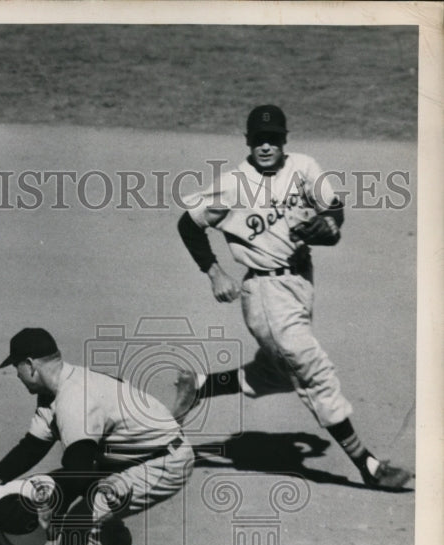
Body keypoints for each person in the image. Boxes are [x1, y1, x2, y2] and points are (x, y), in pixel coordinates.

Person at [175, 104, 411, 491]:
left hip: (301, 283)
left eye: (273, 139)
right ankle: (368, 465)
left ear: (284, 140)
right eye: (259, 140)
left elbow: (333, 207)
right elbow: (189, 222)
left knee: (279, 373)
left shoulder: (303, 166)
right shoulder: (234, 184)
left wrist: (331, 223)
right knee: (313, 371)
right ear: (248, 142)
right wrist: (214, 272)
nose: (266, 146)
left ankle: (199, 386)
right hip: (266, 293)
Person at [0, 327, 194, 545]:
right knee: (97, 522)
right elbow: (32, 447)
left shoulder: (74, 399)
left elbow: (80, 470)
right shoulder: (53, 392)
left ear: (30, 365)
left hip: (162, 462)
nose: (16, 374)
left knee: (76, 531)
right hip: (128, 454)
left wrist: (53, 511)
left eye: (16, 366)